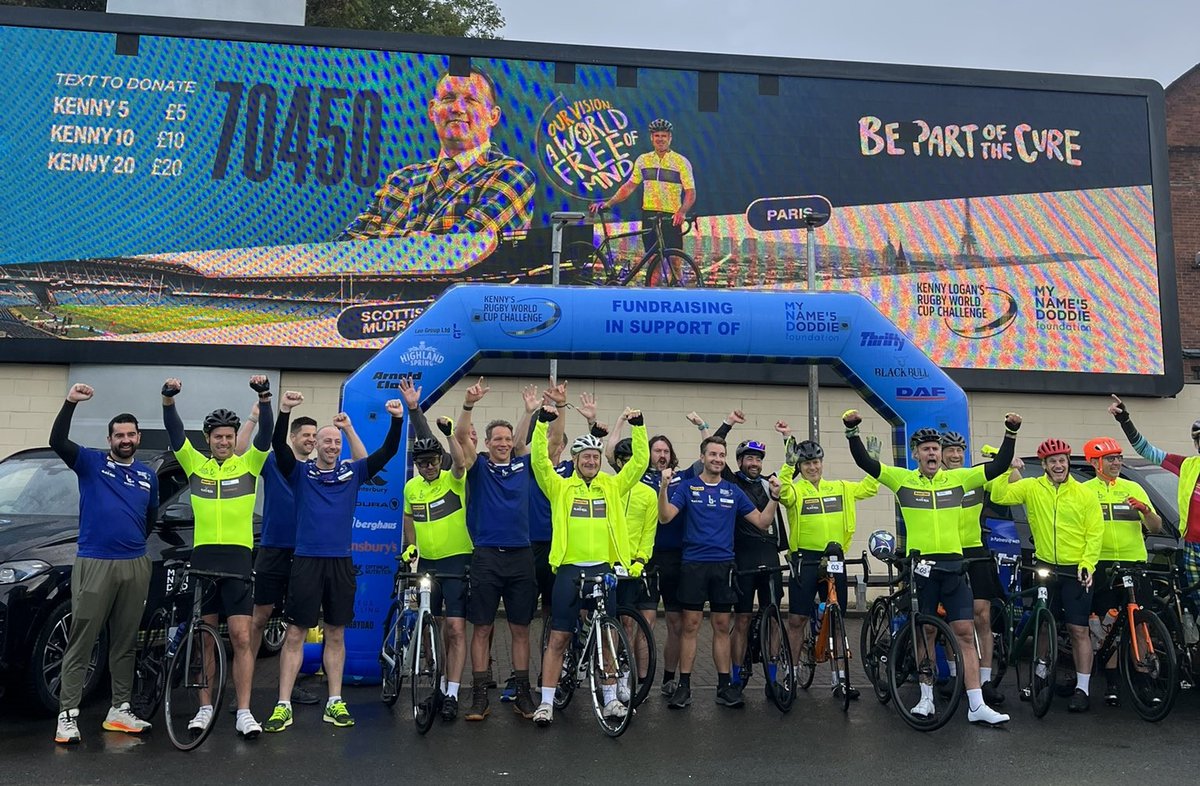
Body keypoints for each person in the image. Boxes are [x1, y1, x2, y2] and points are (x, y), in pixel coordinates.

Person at [843, 410, 1017, 726]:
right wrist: (852, 431)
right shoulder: (903, 479)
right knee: (925, 630)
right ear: (916, 455)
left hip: (953, 565)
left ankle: (976, 704)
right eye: (926, 449)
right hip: (921, 566)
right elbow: (866, 464)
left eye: (935, 448)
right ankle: (926, 699)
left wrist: (1010, 432)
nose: (932, 452)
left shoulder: (960, 479)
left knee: (964, 633)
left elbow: (1000, 465)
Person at [263, 392, 403, 732]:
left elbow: (388, 452)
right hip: (307, 561)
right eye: (325, 440)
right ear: (316, 446)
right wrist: (284, 411)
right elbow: (280, 449)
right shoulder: (300, 473)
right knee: (295, 633)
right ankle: (283, 704)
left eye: (335, 441)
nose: (330, 445)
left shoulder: (352, 474)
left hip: (340, 563)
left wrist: (397, 420)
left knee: (336, 633)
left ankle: (334, 702)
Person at [161, 375, 274, 738]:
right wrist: (168, 400)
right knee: (205, 638)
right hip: (204, 559)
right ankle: (204, 707)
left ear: (234, 438)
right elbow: (175, 432)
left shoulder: (249, 465)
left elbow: (267, 434)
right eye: (218, 437)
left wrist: (264, 398)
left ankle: (244, 711)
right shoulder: (196, 466)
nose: (224, 442)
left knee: (241, 637)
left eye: (229, 436)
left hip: (238, 560)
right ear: (208, 440)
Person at [50, 383, 158, 744]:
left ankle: (120, 709)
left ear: (138, 437)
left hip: (135, 563)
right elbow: (58, 442)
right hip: (95, 562)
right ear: (109, 438)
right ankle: (67, 715)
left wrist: (133, 545)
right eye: (119, 435)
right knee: (83, 638)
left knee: (126, 641)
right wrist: (70, 403)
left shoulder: (147, 475)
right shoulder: (92, 463)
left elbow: (151, 518)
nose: (125, 439)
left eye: (130, 434)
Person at [529, 405, 649, 726]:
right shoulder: (560, 487)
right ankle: (546, 703)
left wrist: (639, 427)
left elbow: (639, 463)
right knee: (559, 638)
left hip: (602, 571)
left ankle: (610, 700)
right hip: (569, 571)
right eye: (585, 457)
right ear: (577, 461)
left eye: (596, 457)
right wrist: (542, 423)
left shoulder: (612, 486)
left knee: (607, 637)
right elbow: (539, 462)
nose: (591, 461)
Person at [242, 403, 368, 707]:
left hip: (305, 554)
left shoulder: (318, 471)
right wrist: (254, 418)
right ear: (294, 437)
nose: (312, 440)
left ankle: (290, 686)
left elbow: (364, 463)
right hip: (275, 547)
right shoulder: (276, 462)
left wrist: (348, 429)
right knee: (259, 618)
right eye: (307, 435)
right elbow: (241, 452)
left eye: (316, 436)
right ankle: (244, 687)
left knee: (295, 625)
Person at [340, 66, 535, 239]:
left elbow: (455, 251)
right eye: (448, 98)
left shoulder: (511, 175)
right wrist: (419, 241)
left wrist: (375, 241)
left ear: (493, 116)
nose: (458, 109)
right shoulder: (401, 180)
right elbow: (343, 247)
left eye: (471, 100)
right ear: (432, 110)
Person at [657, 436, 781, 709]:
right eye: (712, 454)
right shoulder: (687, 487)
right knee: (690, 626)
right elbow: (666, 517)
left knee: (722, 627)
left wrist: (774, 497)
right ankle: (684, 686)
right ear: (702, 457)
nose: (717, 459)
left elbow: (762, 521)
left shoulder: (733, 491)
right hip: (693, 565)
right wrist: (663, 488)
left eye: (721, 455)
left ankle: (725, 686)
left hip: (725, 566)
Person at [989, 437, 1104, 712]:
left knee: (1078, 630)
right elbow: (998, 495)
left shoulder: (1085, 493)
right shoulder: (1031, 487)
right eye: (1052, 461)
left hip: (1076, 569)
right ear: (1044, 465)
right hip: (1044, 566)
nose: (1058, 465)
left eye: (1062, 460)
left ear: (1067, 462)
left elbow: (1095, 533)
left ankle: (1082, 689)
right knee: (1042, 622)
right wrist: (1006, 468)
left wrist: (1087, 563)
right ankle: (1040, 676)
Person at [454, 377, 540, 721]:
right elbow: (461, 437)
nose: (503, 443)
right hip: (487, 556)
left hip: (521, 555)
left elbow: (523, 441)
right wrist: (469, 405)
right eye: (497, 439)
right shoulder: (480, 467)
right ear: (487, 443)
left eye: (507, 439)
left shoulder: (524, 466)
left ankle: (522, 692)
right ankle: (478, 695)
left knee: (520, 629)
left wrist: (529, 412)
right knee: (483, 628)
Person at [777, 435, 879, 700]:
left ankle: (840, 680)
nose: (812, 467)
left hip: (834, 557)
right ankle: (790, 673)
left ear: (822, 463)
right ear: (801, 467)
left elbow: (869, 489)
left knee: (836, 619)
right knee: (797, 620)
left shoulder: (841, 487)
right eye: (806, 464)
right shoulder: (797, 490)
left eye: (816, 462)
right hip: (805, 559)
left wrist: (872, 462)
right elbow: (782, 491)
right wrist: (788, 466)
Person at [1080, 436, 1162, 706]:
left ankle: (1144, 680)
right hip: (1101, 564)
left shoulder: (1133, 486)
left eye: (1118, 457)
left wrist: (1146, 510)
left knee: (1141, 623)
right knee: (1105, 627)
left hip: (1134, 563)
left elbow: (1155, 527)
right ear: (1095, 462)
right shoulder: (1085, 491)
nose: (1117, 462)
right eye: (1110, 459)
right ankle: (1112, 681)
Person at [939, 430, 1018, 707]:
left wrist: (1012, 468)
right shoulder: (936, 480)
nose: (955, 455)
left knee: (982, 616)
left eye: (960, 450)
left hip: (975, 549)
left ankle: (985, 680)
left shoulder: (976, 477)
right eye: (950, 450)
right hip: (947, 550)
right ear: (941, 453)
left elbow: (1005, 493)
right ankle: (954, 675)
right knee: (954, 617)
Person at [400, 431, 473, 722]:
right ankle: (439, 686)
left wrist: (451, 434)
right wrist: (411, 545)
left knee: (455, 628)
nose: (428, 467)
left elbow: (460, 461)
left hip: (457, 560)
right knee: (433, 625)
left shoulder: (452, 480)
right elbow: (408, 517)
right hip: (428, 562)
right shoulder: (411, 487)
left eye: (432, 461)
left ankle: (453, 693)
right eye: (422, 463)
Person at [1109, 395, 1200, 604]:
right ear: (1196, 444)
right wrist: (1125, 420)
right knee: (1196, 604)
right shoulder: (1187, 465)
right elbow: (1145, 450)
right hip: (1192, 546)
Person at [592, 118, 695, 260]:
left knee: (675, 261)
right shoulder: (643, 160)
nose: (660, 139)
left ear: (670, 138)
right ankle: (652, 283)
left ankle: (676, 283)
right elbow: (629, 186)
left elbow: (690, 191)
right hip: (649, 215)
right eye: (657, 136)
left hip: (671, 216)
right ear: (651, 138)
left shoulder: (681, 162)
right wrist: (608, 203)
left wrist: (682, 212)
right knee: (653, 260)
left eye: (664, 136)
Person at [606, 410, 660, 686]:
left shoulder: (648, 493)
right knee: (604, 623)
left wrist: (641, 559)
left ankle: (624, 675)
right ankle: (604, 672)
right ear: (617, 462)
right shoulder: (609, 486)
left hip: (634, 567)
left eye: (632, 461)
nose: (628, 466)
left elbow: (648, 532)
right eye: (622, 461)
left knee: (627, 624)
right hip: (607, 564)